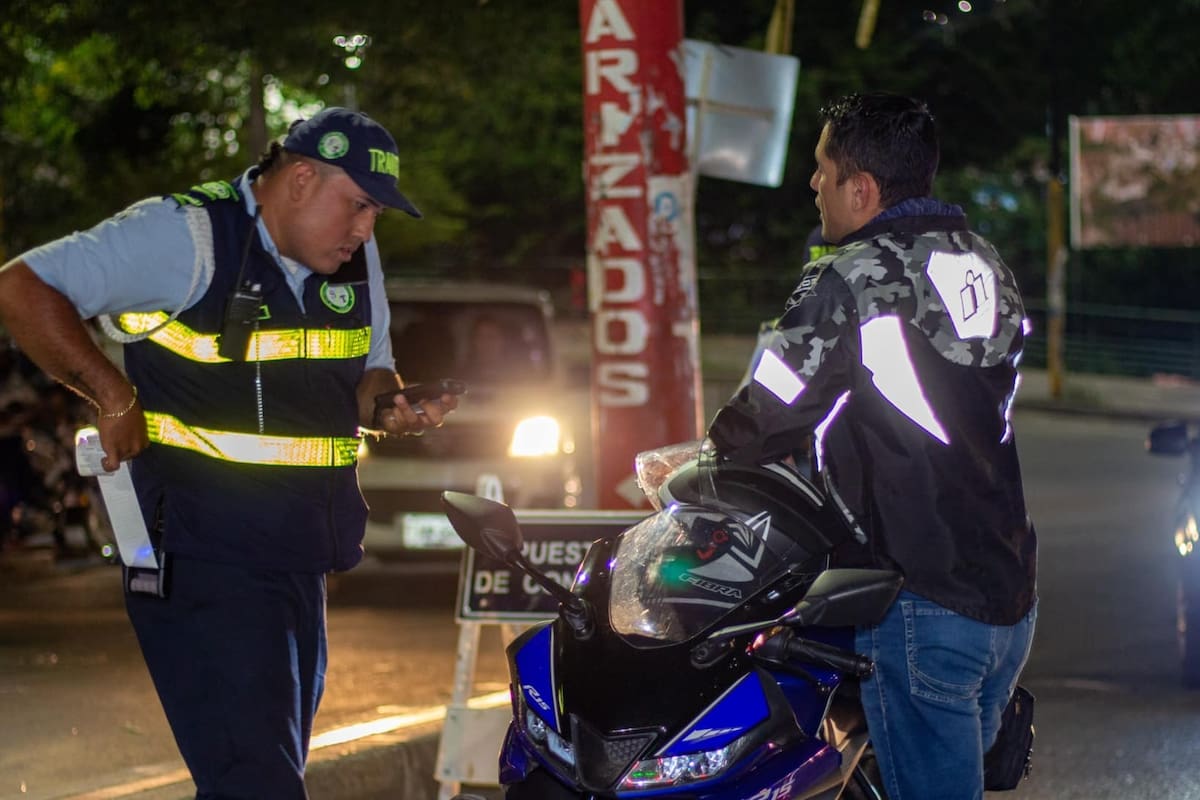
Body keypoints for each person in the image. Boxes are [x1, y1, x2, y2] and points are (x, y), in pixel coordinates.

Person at [0, 106, 458, 798]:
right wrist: (112, 395)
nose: (366, 229)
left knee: (257, 777)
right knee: (258, 783)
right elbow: (23, 286)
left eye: (377, 213)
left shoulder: (354, 259)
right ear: (300, 180)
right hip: (204, 554)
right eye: (358, 205)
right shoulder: (185, 235)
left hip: (302, 557)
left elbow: (370, 376)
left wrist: (392, 407)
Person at [707, 92, 1037, 800]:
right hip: (1008, 588)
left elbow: (767, 413)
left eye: (822, 170)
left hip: (919, 595)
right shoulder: (987, 263)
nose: (813, 184)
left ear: (861, 189)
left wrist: (708, 461)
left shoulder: (850, 277)